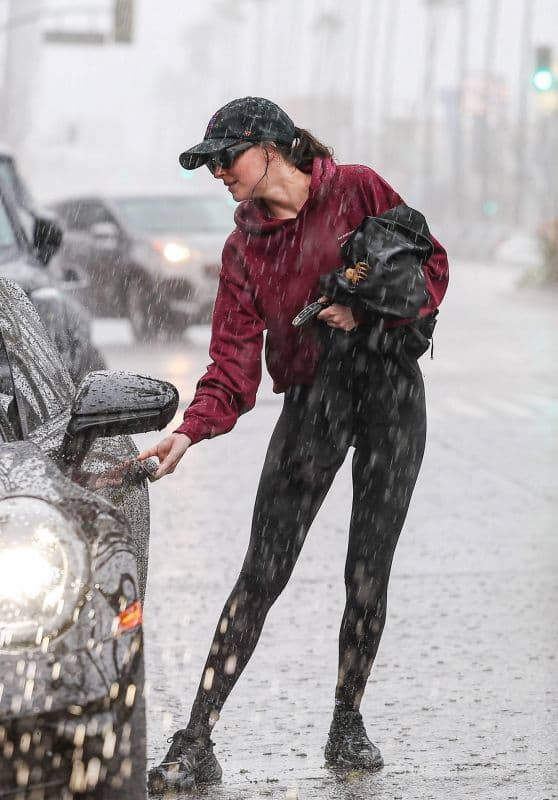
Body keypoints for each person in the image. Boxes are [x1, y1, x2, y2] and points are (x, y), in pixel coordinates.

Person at [141, 96, 449, 793]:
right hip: (315, 401)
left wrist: (365, 304)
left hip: (393, 394)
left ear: (271, 146)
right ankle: (198, 737)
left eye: (226, 157)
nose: (218, 170)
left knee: (368, 567)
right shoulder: (244, 247)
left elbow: (431, 268)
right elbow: (232, 365)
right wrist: (188, 432)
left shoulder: (357, 188)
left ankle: (348, 717)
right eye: (210, 162)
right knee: (261, 573)